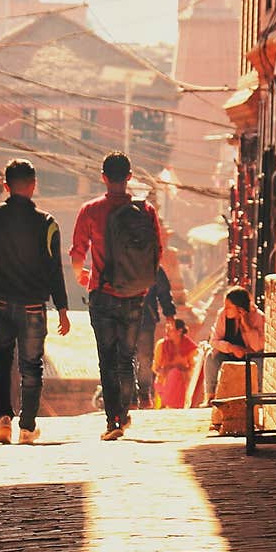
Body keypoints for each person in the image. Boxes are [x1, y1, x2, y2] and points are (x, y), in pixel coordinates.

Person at [0, 158, 70, 445]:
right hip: (34, 307)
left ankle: (3, 420)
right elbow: (54, 268)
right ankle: (27, 426)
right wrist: (62, 308)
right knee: (31, 366)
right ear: (34, 186)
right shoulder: (47, 224)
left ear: (5, 186)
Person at [70, 151, 163, 441]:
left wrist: (81, 275)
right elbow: (156, 252)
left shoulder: (91, 210)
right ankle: (123, 411)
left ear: (104, 178)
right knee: (126, 357)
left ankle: (114, 420)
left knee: (106, 359)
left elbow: (77, 253)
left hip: (102, 293)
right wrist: (141, 283)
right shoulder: (145, 211)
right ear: (130, 177)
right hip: (135, 295)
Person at [202, 285, 266, 418]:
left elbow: (258, 347)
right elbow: (214, 340)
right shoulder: (222, 315)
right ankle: (210, 396)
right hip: (229, 354)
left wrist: (247, 326)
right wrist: (231, 348)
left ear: (240, 308)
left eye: (229, 307)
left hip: (250, 356)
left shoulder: (258, 317)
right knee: (211, 357)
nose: (225, 310)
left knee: (259, 361)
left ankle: (259, 396)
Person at [135, 265, 176, 408]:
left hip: (146, 318)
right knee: (126, 357)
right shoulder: (121, 260)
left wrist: (169, 314)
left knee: (145, 359)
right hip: (124, 317)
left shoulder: (153, 266)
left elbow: (164, 292)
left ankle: (144, 393)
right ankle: (131, 395)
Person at [152, 317, 198, 409]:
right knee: (173, 374)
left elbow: (193, 368)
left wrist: (181, 371)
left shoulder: (189, 347)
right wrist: (163, 372)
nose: (167, 332)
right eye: (166, 329)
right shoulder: (161, 345)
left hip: (182, 382)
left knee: (175, 373)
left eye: (170, 330)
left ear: (179, 331)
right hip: (164, 382)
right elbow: (155, 367)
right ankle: (167, 402)